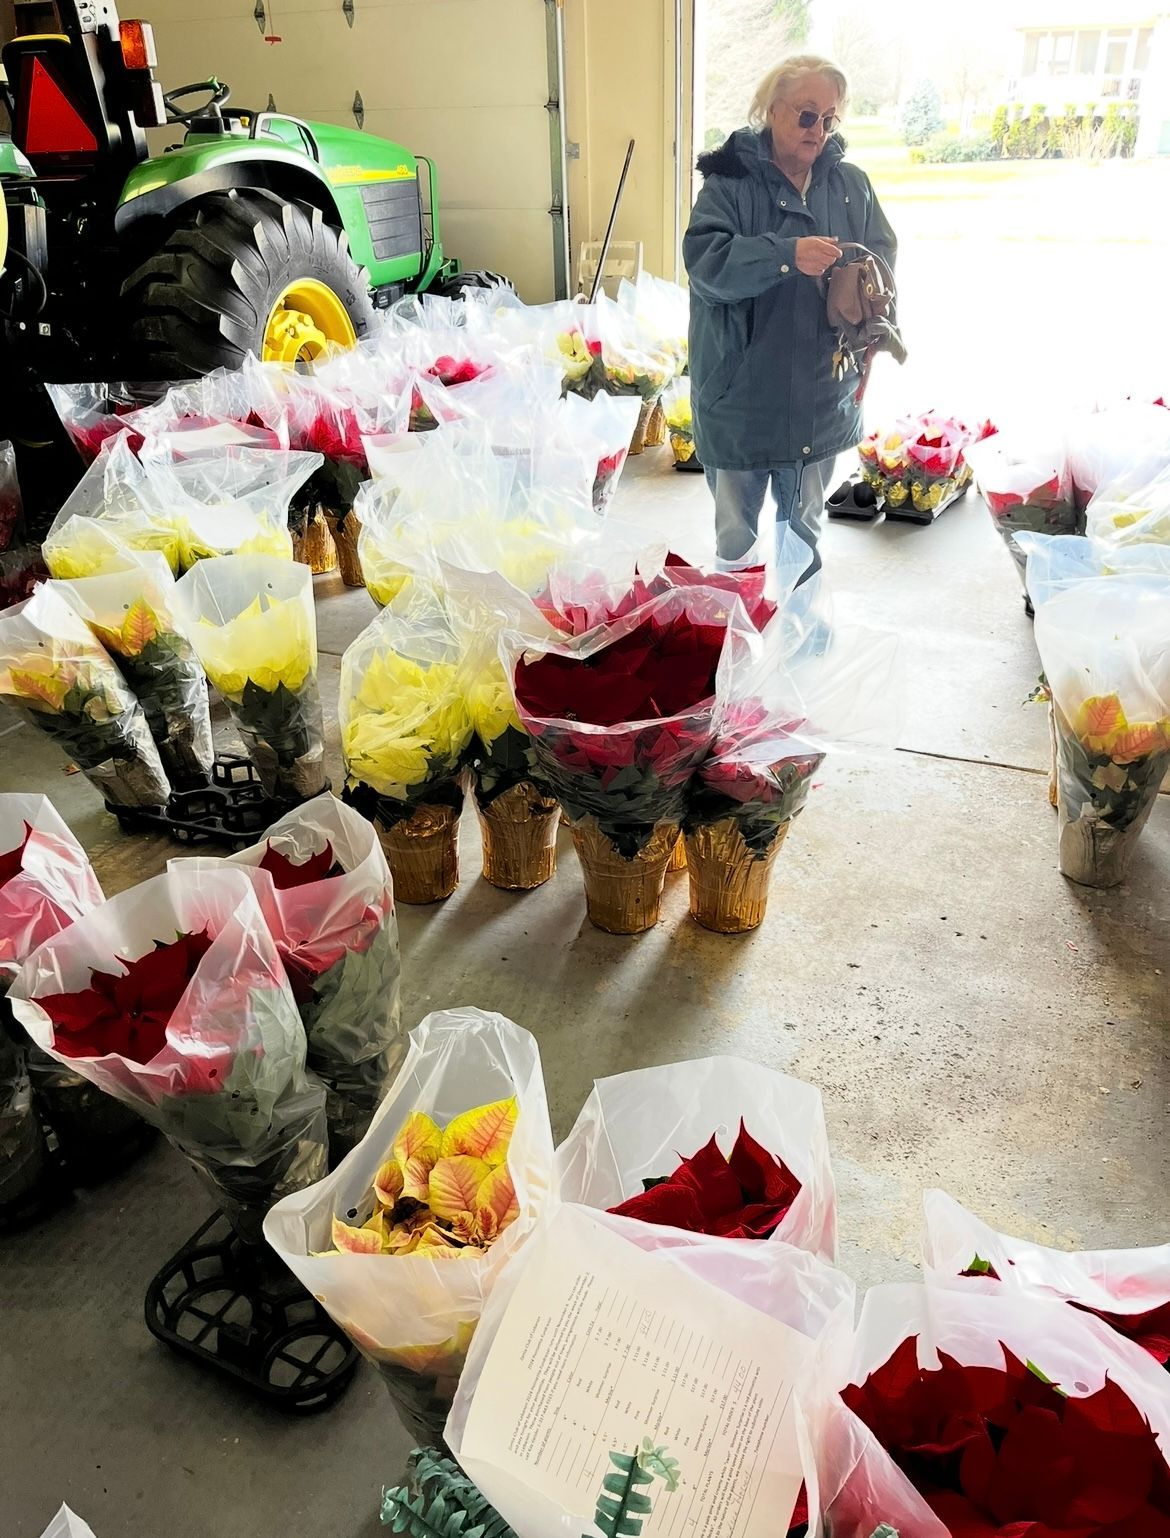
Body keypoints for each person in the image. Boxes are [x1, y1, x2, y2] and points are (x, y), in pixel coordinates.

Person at [683, 55, 897, 578]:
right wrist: (785, 254)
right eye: (806, 115)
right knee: (736, 536)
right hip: (740, 400)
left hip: (821, 396)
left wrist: (874, 321)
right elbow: (706, 264)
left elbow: (883, 261)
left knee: (804, 530)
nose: (818, 130)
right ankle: (739, 637)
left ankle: (801, 640)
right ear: (771, 111)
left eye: (829, 119)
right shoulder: (729, 184)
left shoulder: (850, 185)